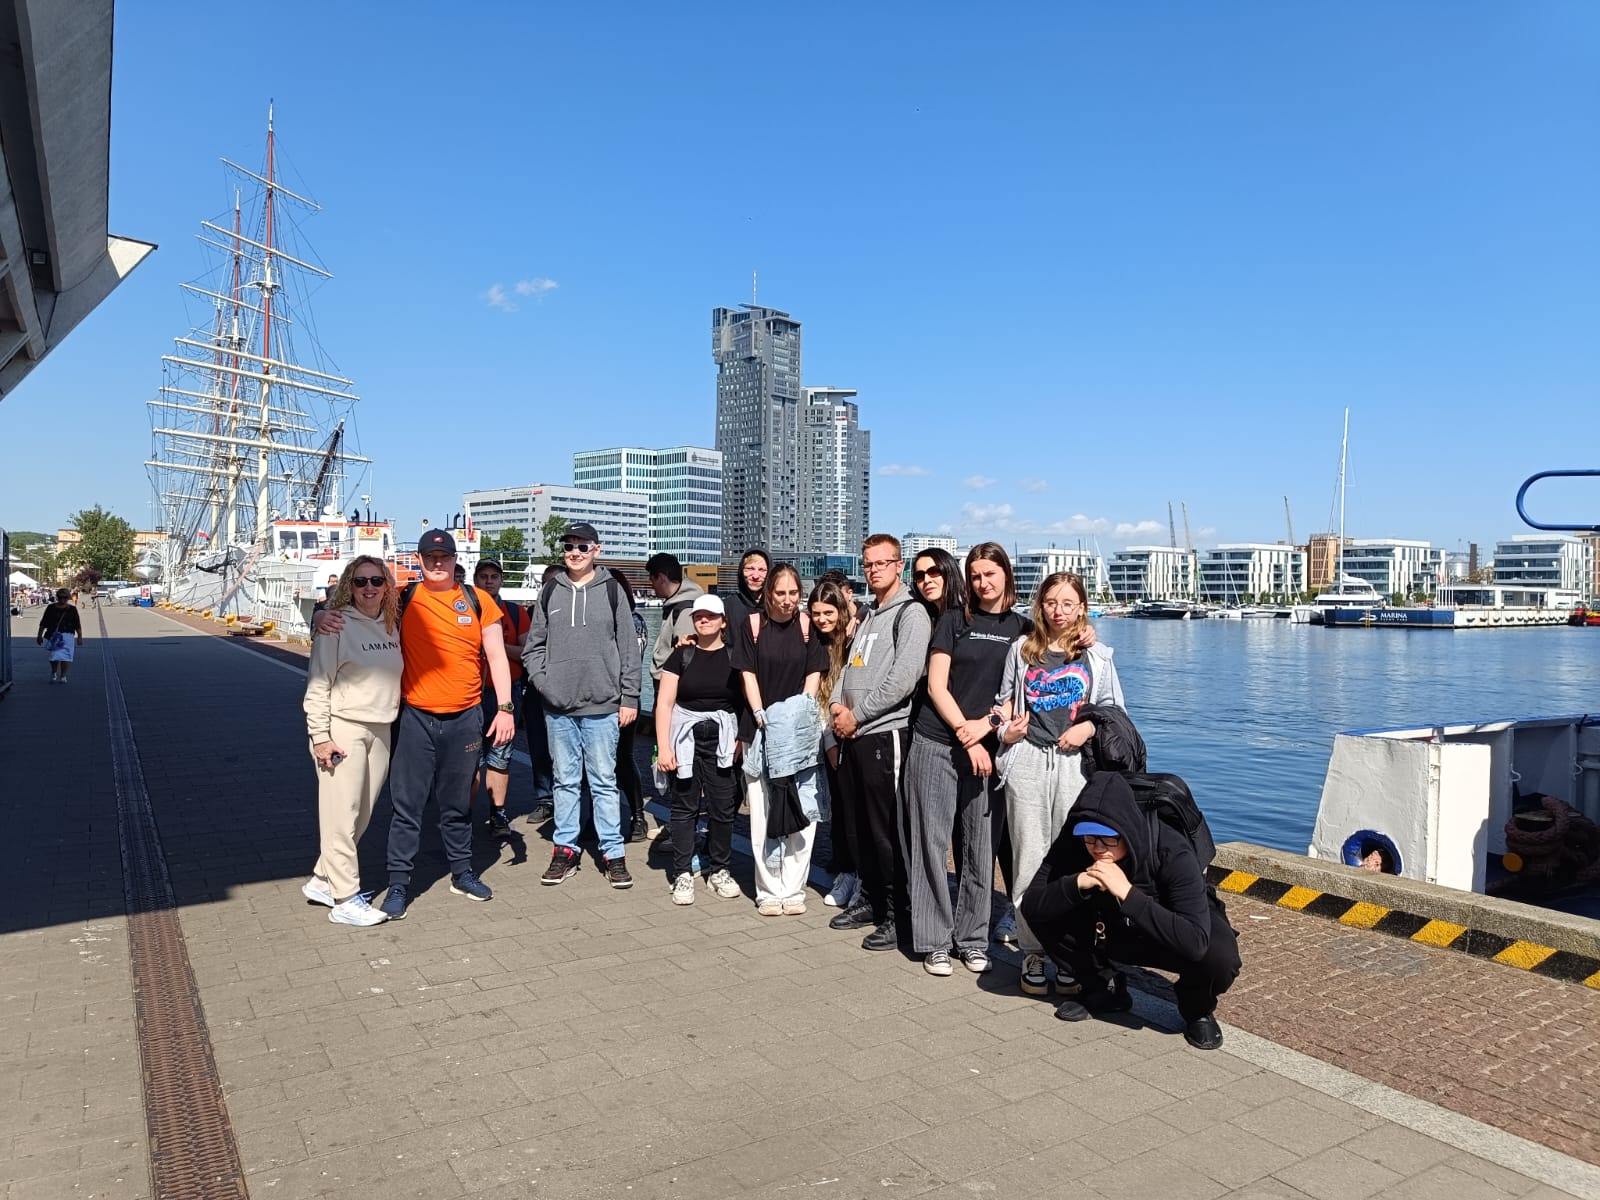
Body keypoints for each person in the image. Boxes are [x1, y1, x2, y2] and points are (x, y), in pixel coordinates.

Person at [313, 529, 515, 919]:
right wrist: (319, 615)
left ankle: (462, 872)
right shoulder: (402, 599)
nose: (438, 563)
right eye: (430, 557)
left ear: (455, 560)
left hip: (466, 716)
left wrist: (505, 708)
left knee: (457, 804)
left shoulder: (479, 600)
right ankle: (399, 883)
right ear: (419, 560)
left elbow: (496, 656)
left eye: (445, 557)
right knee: (407, 807)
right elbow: (355, 610)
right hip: (415, 718)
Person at [1019, 772, 1240, 1050]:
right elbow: (1031, 904)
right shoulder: (1075, 841)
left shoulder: (1172, 849)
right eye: (1090, 837)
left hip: (1166, 928)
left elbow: (1194, 942)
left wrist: (1127, 893)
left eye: (1108, 839)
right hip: (1109, 927)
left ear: (1127, 832)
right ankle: (1103, 988)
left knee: (1219, 956)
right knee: (1049, 910)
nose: (1098, 848)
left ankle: (1197, 1010)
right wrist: (1077, 883)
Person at [993, 571, 1124, 995]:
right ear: (1040, 605)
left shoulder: (1096, 655)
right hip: (1029, 762)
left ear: (1081, 607)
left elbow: (1114, 710)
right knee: (1028, 861)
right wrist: (1005, 731)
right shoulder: (1021, 650)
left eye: (1068, 603)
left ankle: (1070, 953)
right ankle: (1032, 951)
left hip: (1076, 767)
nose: (1059, 611)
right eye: (1051, 602)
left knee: (1073, 861)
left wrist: (1087, 728)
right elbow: (1003, 705)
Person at [904, 544, 1029, 976]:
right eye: (975, 575)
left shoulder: (1023, 629)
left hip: (989, 751)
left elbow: (1024, 692)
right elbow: (936, 686)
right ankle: (935, 941)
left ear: (1006, 574)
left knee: (980, 849)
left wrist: (987, 726)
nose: (982, 582)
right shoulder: (955, 620)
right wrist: (967, 733)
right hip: (937, 742)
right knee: (931, 844)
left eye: (990, 573)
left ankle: (973, 940)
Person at [827, 534, 934, 951]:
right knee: (861, 828)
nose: (873, 570)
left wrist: (858, 715)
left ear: (898, 565)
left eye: (881, 563)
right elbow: (847, 668)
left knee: (887, 830)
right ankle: (870, 899)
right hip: (853, 734)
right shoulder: (870, 614)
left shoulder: (911, 613)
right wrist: (837, 706)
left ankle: (896, 914)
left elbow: (903, 680)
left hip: (885, 735)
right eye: (868, 564)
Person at [525, 523, 641, 888]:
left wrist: (629, 697)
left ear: (596, 550)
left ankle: (613, 853)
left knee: (604, 781)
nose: (575, 552)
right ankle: (565, 850)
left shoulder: (611, 590)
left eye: (582, 546)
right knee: (565, 782)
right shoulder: (550, 591)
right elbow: (533, 647)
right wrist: (544, 684)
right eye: (569, 546)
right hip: (558, 708)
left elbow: (628, 649)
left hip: (604, 706)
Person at [300, 557, 402, 926]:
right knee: (340, 815)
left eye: (376, 580)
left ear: (387, 585)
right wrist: (320, 737)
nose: (369, 588)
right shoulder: (336, 624)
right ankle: (345, 899)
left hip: (382, 727)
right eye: (360, 581)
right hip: (344, 729)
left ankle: (322, 880)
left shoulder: (391, 622)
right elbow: (317, 684)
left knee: (360, 814)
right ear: (349, 586)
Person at [731, 563, 829, 915]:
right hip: (760, 731)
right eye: (781, 593)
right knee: (762, 811)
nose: (788, 600)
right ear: (769, 594)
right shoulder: (753, 625)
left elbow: (815, 672)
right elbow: (747, 673)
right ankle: (769, 889)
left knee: (804, 809)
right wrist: (761, 712)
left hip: (799, 733)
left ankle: (794, 887)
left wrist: (796, 712)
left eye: (794, 593)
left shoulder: (807, 626)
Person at [654, 594, 743, 905]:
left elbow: (744, 701)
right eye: (699, 616)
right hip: (685, 738)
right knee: (684, 807)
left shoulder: (735, 656)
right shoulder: (681, 655)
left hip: (723, 738)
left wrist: (741, 739)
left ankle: (720, 869)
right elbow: (664, 703)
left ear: (723, 621)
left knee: (723, 807)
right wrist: (664, 747)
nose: (704, 620)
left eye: (711, 616)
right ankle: (682, 872)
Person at [468, 558, 528, 837]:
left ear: (501, 581)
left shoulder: (515, 613)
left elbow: (526, 652)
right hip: (471, 693)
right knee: (469, 757)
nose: (489, 581)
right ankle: (463, 815)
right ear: (475, 580)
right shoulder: (464, 609)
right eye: (484, 576)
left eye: (494, 576)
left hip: (506, 693)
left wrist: (496, 646)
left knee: (501, 755)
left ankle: (498, 813)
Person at [807, 579, 857, 907]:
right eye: (816, 613)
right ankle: (843, 869)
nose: (822, 619)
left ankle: (855, 872)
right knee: (836, 808)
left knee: (851, 808)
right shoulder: (812, 642)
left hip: (852, 729)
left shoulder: (854, 640)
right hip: (825, 732)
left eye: (828, 612)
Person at [609, 567, 651, 842]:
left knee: (623, 759)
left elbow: (632, 661)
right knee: (596, 765)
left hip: (624, 700)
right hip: (596, 702)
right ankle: (597, 818)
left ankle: (638, 815)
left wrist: (628, 697)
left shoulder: (634, 621)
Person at [647, 552, 705, 684]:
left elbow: (687, 658)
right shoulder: (678, 604)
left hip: (671, 684)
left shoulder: (685, 610)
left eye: (652, 579)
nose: (651, 585)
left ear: (661, 578)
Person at [36, 588, 83, 683]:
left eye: (65, 597)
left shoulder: (72, 609)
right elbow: (43, 622)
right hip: (54, 635)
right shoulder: (51, 608)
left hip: (68, 635)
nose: (62, 599)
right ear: (57, 597)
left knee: (66, 656)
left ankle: (63, 675)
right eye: (60, 597)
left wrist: (79, 637)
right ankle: (54, 671)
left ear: (68, 598)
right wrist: (39, 635)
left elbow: (77, 624)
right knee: (54, 656)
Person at [726, 548, 770, 624]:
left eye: (761, 570)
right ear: (741, 571)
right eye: (750, 569)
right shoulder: (727, 607)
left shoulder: (777, 607)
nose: (755, 576)